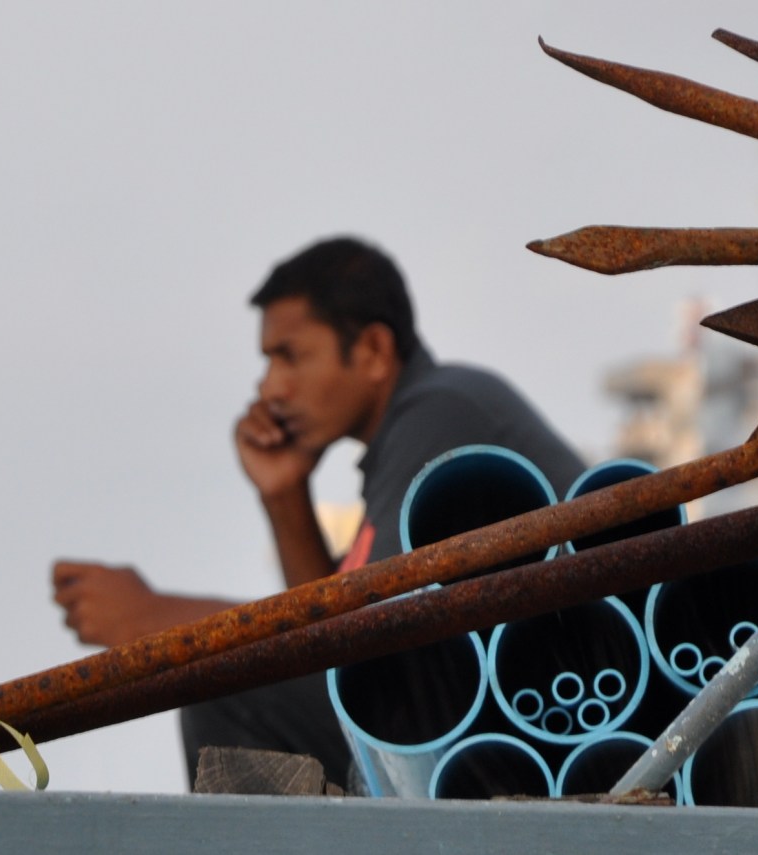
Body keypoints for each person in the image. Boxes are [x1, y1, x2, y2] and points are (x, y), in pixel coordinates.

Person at [53, 236, 585, 788]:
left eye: (290, 356)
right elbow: (339, 653)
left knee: (226, 685)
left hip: (546, 720)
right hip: (481, 730)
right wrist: (284, 495)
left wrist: (152, 620)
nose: (270, 387)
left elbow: (363, 641)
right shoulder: (413, 430)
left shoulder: (441, 410)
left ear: (373, 351)